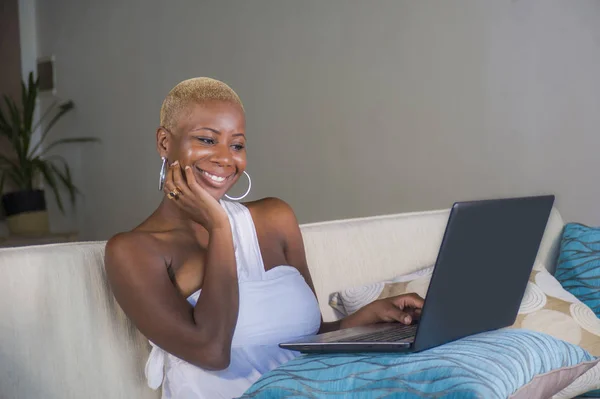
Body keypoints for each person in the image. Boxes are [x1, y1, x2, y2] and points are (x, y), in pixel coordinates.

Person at [104, 77, 424, 399]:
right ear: (164, 142)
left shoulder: (275, 218)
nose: (225, 159)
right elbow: (212, 352)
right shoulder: (134, 251)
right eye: (207, 139)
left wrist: (364, 319)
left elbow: (305, 339)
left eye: (237, 145)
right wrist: (219, 228)